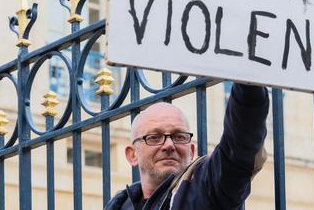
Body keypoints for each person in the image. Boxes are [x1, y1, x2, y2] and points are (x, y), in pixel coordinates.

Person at [104, 83, 269, 210]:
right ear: (132, 155)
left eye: (179, 137)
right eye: (154, 137)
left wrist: (248, 83)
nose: (169, 145)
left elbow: (240, 145)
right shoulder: (120, 204)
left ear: (191, 151)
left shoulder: (207, 186)